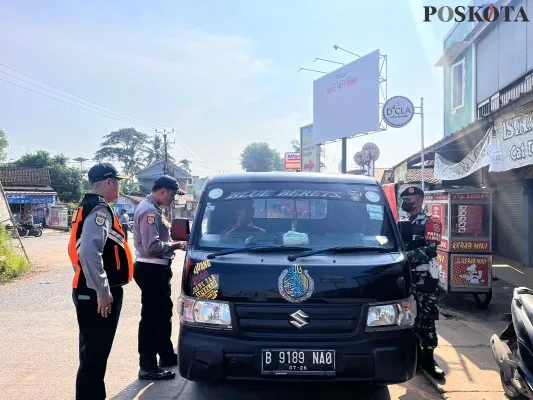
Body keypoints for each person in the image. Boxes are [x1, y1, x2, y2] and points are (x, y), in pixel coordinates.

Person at [68, 163, 133, 400]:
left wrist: (84, 275)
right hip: (95, 294)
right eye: (117, 181)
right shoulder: (100, 209)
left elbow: (74, 250)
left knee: (92, 356)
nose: (119, 186)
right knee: (94, 357)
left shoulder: (85, 207)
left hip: (86, 288)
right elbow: (87, 252)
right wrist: (102, 291)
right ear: (108, 182)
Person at [133, 175, 187, 380]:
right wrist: (178, 245)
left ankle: (165, 355)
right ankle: (147, 366)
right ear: (162, 190)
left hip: (157, 269)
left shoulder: (154, 209)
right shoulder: (148, 211)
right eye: (172, 194)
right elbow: (152, 247)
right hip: (151, 269)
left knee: (163, 315)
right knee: (151, 319)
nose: (173, 198)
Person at [398, 186, 445, 380]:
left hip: (425, 279)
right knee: (408, 319)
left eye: (408, 198)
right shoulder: (402, 222)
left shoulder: (430, 222)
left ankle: (429, 360)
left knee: (426, 319)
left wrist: (404, 257)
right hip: (407, 278)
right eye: (404, 199)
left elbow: (431, 250)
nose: (405, 202)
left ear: (418, 200)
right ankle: (414, 357)